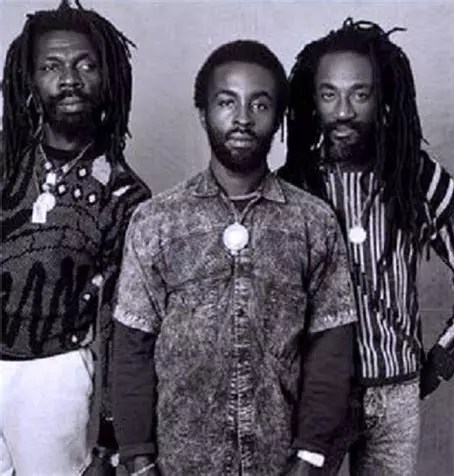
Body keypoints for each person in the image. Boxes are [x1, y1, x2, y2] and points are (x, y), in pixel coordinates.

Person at [112, 39, 357, 476]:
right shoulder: (155, 222)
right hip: (179, 464)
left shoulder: (313, 222)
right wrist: (138, 459)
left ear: (279, 118)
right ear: (203, 113)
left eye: (259, 105)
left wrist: (310, 453)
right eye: (227, 102)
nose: (243, 118)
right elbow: (132, 346)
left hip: (279, 463)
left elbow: (331, 346)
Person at [279, 18, 454, 475]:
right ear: (312, 100)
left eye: (360, 94)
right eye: (330, 94)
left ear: (382, 96)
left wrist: (444, 358)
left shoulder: (415, 176)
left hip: (397, 395)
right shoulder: (292, 186)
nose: (344, 110)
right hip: (315, 398)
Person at [0, 1, 150, 474]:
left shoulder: (125, 195)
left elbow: (120, 325)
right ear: (30, 79)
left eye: (86, 65)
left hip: (54, 377)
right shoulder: (5, 163)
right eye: (52, 66)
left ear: (107, 78)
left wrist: (109, 437)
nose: (69, 79)